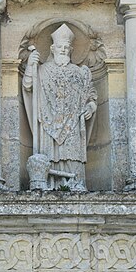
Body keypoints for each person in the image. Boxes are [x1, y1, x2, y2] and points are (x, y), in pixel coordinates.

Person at [22, 24, 97, 190]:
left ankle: (76, 183)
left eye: (66, 48)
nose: (63, 50)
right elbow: (28, 86)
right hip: (48, 124)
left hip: (73, 124)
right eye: (60, 47)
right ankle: (49, 184)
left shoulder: (81, 72)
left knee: (73, 156)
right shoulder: (41, 70)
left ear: (70, 50)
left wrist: (91, 107)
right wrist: (30, 66)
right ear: (52, 49)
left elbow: (91, 95)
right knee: (49, 156)